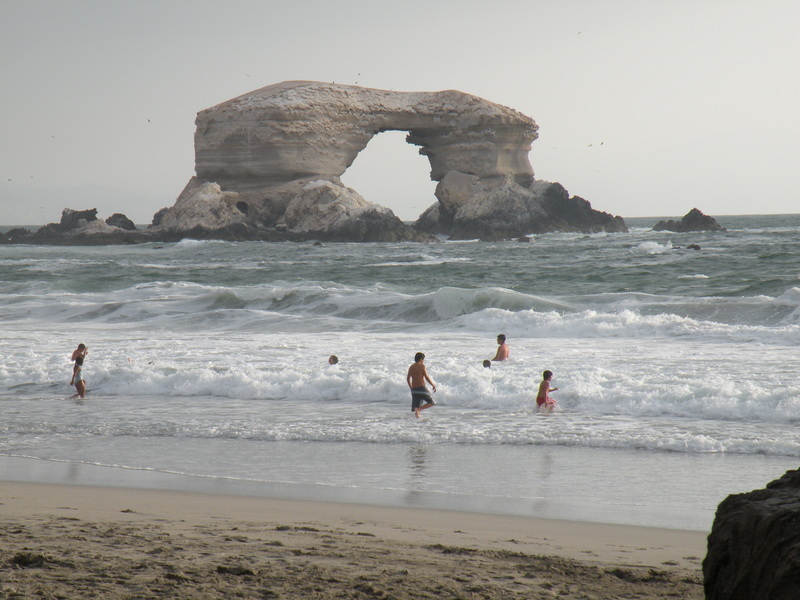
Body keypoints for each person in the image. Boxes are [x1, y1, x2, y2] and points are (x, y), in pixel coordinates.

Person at [407, 352, 436, 418]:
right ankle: (419, 409)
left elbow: (408, 379)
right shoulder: (422, 366)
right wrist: (433, 385)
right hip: (421, 388)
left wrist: (411, 388)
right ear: (421, 359)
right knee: (432, 402)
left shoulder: (411, 367)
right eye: (423, 359)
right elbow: (426, 377)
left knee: (416, 408)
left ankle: (417, 423)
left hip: (414, 390)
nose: (423, 361)